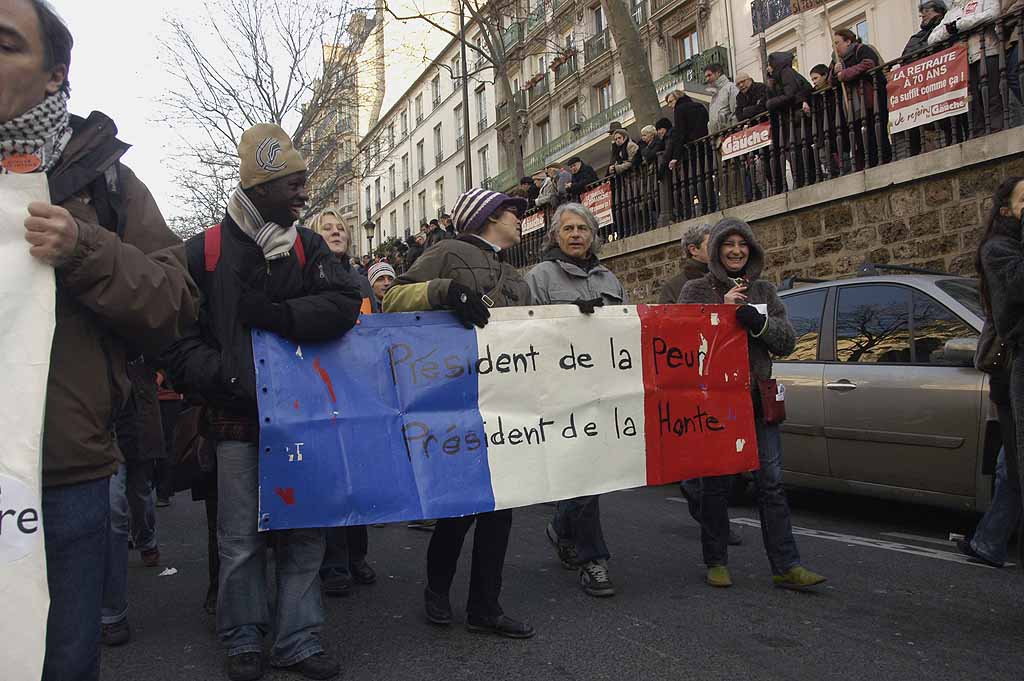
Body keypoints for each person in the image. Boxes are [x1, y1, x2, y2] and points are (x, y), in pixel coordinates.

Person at [2, 2, 199, 678]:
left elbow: (175, 302)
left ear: (54, 75)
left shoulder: (103, 180)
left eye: (5, 44)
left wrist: (84, 246)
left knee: (61, 660)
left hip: (63, 478)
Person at [162, 123, 362, 681]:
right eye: (294, 184)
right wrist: (227, 378)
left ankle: (298, 638)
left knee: (304, 535)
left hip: (304, 424)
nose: (304, 193)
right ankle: (243, 637)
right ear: (261, 187)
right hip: (235, 425)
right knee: (240, 540)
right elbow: (175, 341)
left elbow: (345, 303)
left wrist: (276, 316)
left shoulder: (308, 245)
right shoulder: (201, 252)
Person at [383, 187, 534, 639]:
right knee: (458, 508)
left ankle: (485, 606)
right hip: (457, 398)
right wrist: (443, 290)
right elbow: (393, 298)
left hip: (503, 402)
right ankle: (437, 590)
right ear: (488, 217)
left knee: (499, 511)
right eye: (511, 211)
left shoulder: (515, 275)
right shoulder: (447, 251)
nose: (519, 218)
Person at [679, 218, 827, 590]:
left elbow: (788, 341)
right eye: (727, 243)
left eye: (742, 244)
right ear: (715, 252)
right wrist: (722, 311)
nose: (735, 250)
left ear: (752, 249)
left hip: (759, 399)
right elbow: (682, 341)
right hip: (716, 402)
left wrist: (757, 325)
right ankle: (716, 560)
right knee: (716, 484)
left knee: (772, 485)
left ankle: (786, 565)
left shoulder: (764, 290)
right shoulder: (696, 290)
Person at [525, 203, 625, 598]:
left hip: (603, 388)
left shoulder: (609, 278)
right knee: (585, 473)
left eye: (583, 227)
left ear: (593, 235)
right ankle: (593, 561)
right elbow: (523, 332)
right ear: (555, 235)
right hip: (561, 391)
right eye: (568, 228)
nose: (576, 234)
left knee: (592, 474)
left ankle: (561, 526)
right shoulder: (539, 278)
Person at [308, 207, 378, 597]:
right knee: (332, 479)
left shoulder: (360, 281)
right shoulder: (306, 278)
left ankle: (357, 555)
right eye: (328, 229)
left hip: (358, 389)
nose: (336, 233)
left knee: (359, 477)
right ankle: (333, 562)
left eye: (341, 229)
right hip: (322, 389)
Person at [974, 176, 1024, 563]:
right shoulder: (998, 250)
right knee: (1014, 463)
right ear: (1006, 209)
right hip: (1010, 372)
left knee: (1013, 463)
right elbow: (1014, 297)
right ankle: (989, 540)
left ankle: (988, 540)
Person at [101, 358, 166, 646]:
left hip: (140, 423)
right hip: (107, 428)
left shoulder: (140, 326)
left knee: (141, 496)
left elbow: (167, 353)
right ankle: (112, 613)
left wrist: (159, 376)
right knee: (114, 509)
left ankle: (146, 540)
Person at [929, 0, 1020, 134]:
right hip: (962, 60)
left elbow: (992, 14)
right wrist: (950, 29)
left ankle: (997, 129)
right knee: (971, 100)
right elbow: (932, 38)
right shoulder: (952, 11)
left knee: (992, 93)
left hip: (988, 50)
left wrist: (959, 25)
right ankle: (979, 132)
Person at [829, 28, 891, 169]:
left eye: (837, 43)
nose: (835, 47)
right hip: (852, 106)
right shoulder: (836, 60)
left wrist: (845, 74)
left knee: (877, 131)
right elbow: (830, 81)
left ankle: (883, 159)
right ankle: (868, 162)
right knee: (861, 136)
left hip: (871, 100)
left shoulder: (862, 49)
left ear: (848, 41)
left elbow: (869, 63)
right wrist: (834, 72)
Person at [766, 52, 813, 189]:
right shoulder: (782, 75)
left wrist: (771, 103)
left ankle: (804, 181)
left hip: (796, 119)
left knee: (799, 152)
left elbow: (790, 94)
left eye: (769, 65)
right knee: (796, 152)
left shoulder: (786, 73)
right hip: (793, 121)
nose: (768, 69)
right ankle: (802, 180)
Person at [705, 63, 739, 134]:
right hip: (718, 138)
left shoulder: (731, 87)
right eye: (706, 77)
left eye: (709, 75)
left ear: (718, 73)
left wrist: (735, 133)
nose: (707, 79)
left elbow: (736, 112)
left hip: (730, 135)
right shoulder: (714, 95)